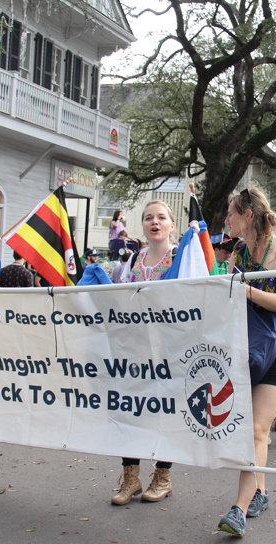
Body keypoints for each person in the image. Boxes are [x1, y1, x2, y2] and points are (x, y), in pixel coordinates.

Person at [217, 188, 276, 537]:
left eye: (230, 214)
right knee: (255, 431)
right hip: (245, 348)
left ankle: (238, 509)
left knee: (256, 429)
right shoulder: (237, 251)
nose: (226, 221)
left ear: (247, 215)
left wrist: (244, 288)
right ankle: (261, 492)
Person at [111, 200, 180, 506]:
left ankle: (162, 477)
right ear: (142, 225)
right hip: (136, 349)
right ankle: (131, 477)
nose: (155, 222)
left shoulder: (180, 256)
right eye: (149, 218)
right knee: (130, 410)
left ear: (171, 224)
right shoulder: (134, 260)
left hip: (168, 349)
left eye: (161, 217)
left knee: (163, 411)